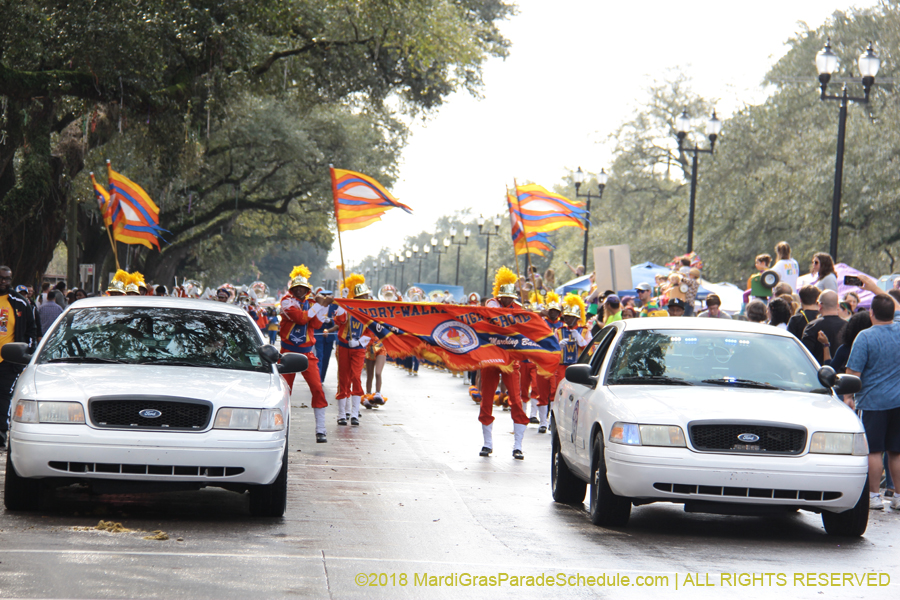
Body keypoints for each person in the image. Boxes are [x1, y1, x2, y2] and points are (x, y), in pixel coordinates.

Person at [843, 294, 900, 511]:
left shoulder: (865, 337)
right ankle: (898, 496)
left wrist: (848, 398)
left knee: (874, 451)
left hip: (873, 402)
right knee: (896, 451)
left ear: (871, 313)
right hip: (899, 402)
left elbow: (853, 374)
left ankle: (874, 496)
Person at [479, 267, 529, 459]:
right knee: (487, 398)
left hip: (510, 359)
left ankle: (518, 446)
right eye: (504, 297)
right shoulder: (492, 304)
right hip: (491, 357)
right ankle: (487, 443)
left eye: (510, 297)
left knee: (516, 400)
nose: (507, 300)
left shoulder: (518, 309)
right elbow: (488, 315)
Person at [279, 265, 330, 443]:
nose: (300, 290)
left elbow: (315, 324)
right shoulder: (286, 301)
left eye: (303, 288)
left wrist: (324, 307)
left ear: (307, 289)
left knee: (317, 388)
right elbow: (301, 318)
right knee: (284, 392)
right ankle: (281, 428)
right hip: (287, 353)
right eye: (297, 287)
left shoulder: (310, 304)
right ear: (292, 289)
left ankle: (321, 429)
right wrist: (318, 304)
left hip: (307, 354)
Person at [0, 265, 38, 449]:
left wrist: (25, 353)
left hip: (9, 361)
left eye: (7, 278)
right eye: (1, 277)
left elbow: (31, 330)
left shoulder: (20, 302)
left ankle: (1, 434)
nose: (4, 281)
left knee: (4, 397)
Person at [333, 274, 372, 427]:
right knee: (343, 379)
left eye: (366, 296)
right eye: (361, 296)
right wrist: (342, 303)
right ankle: (342, 414)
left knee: (356, 377)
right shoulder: (347, 308)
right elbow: (340, 320)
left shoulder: (369, 311)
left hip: (359, 349)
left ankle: (355, 414)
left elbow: (371, 332)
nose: (365, 298)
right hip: (343, 347)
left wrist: (360, 342)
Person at [801, 290, 844, 364]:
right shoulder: (848, 326)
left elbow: (805, 355)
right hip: (843, 373)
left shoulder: (812, 326)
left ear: (820, 305)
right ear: (837, 306)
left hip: (817, 371)